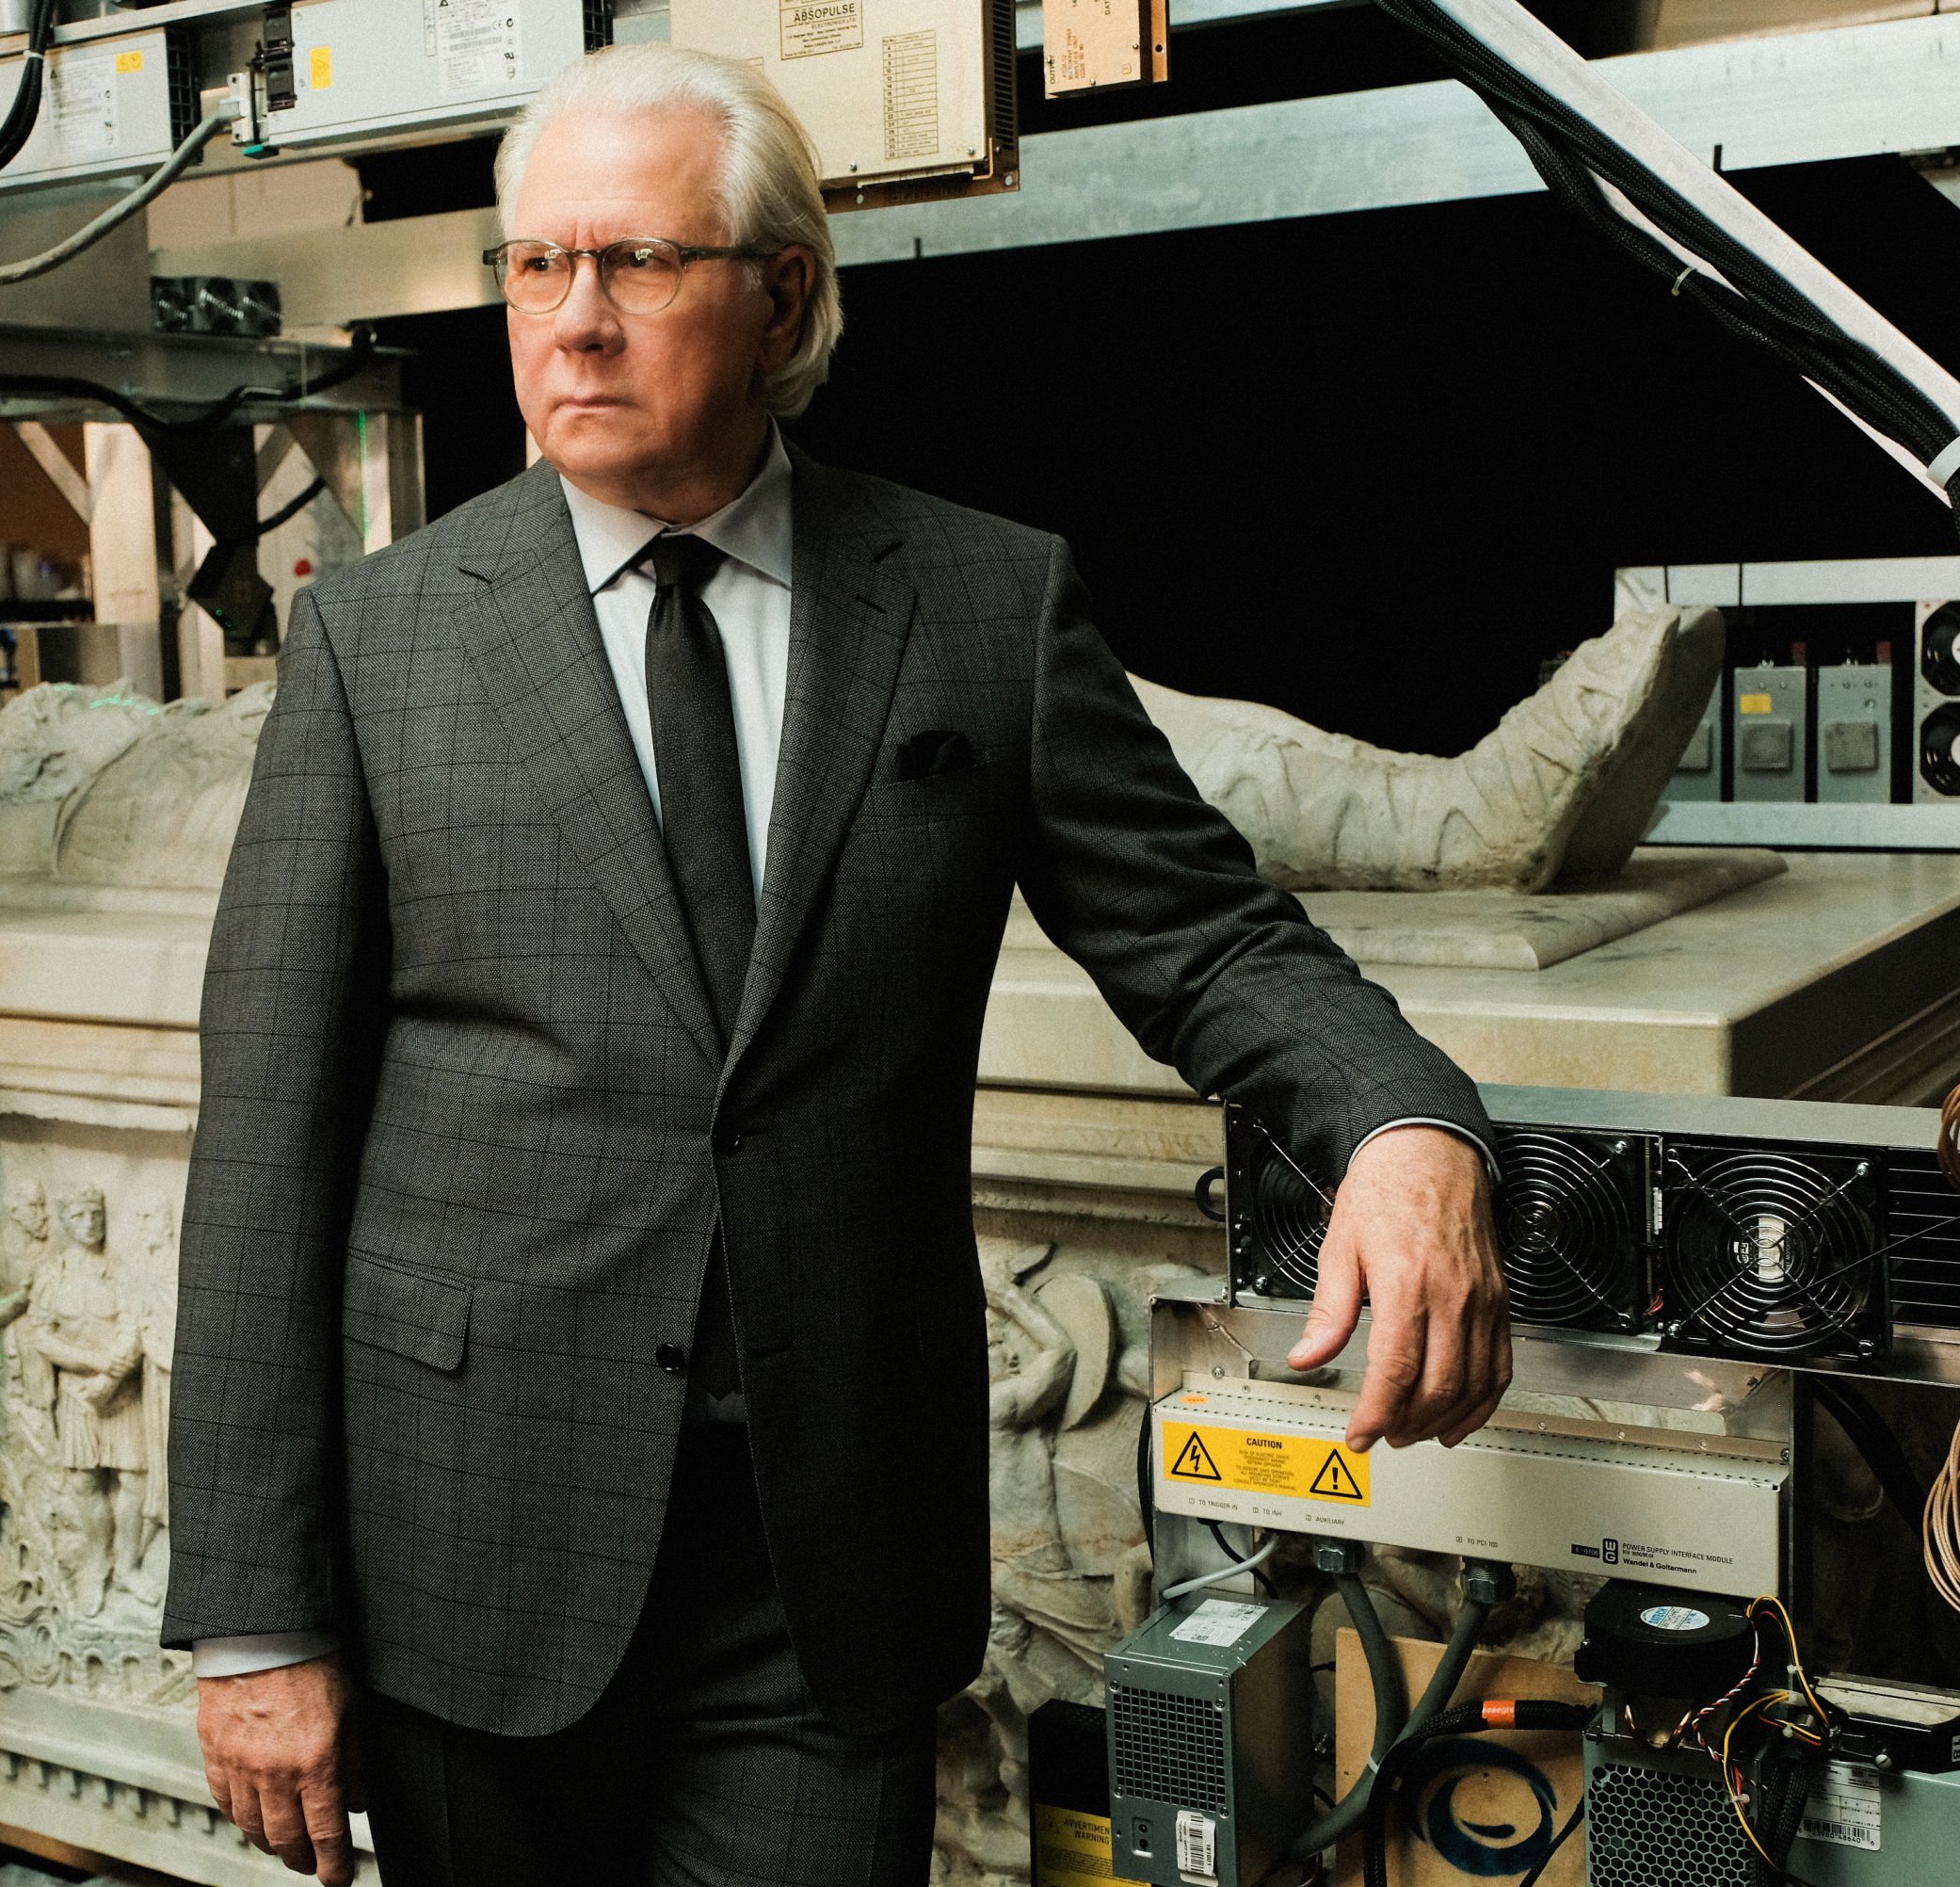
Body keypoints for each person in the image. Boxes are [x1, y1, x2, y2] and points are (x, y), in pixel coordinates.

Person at [163, 41, 1510, 1887]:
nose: (570, 322)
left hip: (823, 1566)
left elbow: (1207, 941)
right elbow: (268, 1143)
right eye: (533, 267)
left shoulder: (975, 607)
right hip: (469, 1548)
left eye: (634, 262)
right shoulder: (383, 648)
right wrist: (254, 1618)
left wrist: (1408, 1130)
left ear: (782, 288)